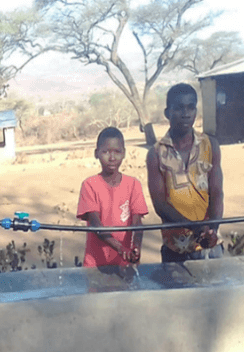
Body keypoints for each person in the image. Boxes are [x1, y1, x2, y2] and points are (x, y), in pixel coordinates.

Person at [147, 83, 225, 263]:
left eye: (191, 107)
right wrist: (196, 228)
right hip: (176, 249)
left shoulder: (210, 145)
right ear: (167, 113)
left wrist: (211, 229)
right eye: (179, 108)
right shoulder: (156, 154)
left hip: (211, 246)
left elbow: (217, 192)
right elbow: (160, 205)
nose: (186, 113)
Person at [76, 127, 149, 267]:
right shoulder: (89, 185)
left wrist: (136, 247)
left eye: (117, 152)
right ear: (96, 153)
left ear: (124, 153)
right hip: (95, 265)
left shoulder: (133, 184)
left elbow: (137, 222)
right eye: (106, 152)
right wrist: (120, 248)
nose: (112, 157)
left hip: (125, 262)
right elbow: (96, 225)